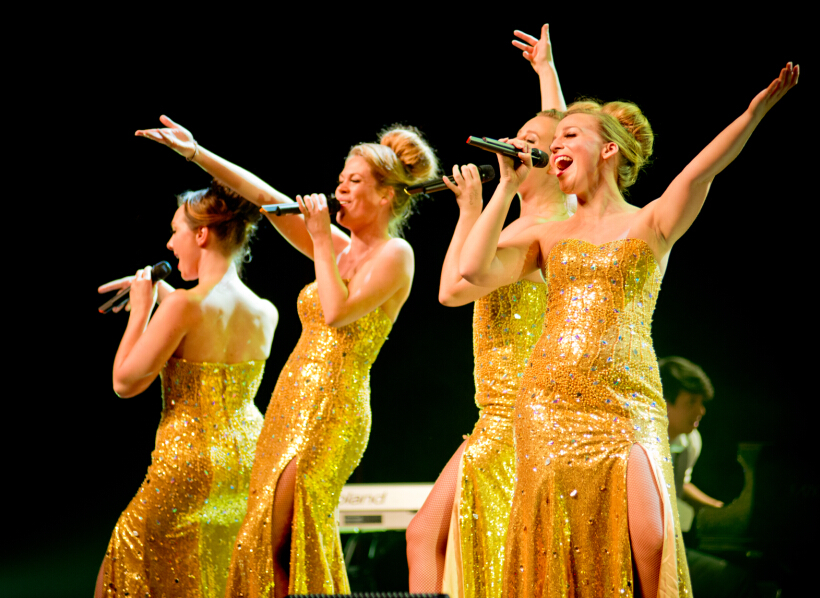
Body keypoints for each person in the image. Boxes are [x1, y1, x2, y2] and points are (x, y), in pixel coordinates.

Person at [460, 64, 798, 597]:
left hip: (627, 402)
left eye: (571, 134)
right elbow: (473, 270)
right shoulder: (547, 235)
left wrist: (753, 113)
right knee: (556, 544)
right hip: (547, 405)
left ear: (609, 149)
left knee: (652, 538)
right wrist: (503, 188)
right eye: (555, 137)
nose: (556, 144)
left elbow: (702, 170)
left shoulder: (651, 221)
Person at [135, 117, 439, 597]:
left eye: (354, 181)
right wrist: (196, 152)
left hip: (333, 408)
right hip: (290, 400)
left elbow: (337, 312)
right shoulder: (339, 249)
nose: (340, 188)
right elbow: (264, 196)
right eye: (340, 179)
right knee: (262, 533)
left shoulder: (395, 254)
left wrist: (318, 238)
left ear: (385, 195)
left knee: (287, 539)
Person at [406, 25, 570, 598]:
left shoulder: (544, 230)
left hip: (517, 417)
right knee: (434, 537)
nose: (516, 145)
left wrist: (480, 204)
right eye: (516, 137)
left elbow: (455, 289)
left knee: (439, 538)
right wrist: (545, 72)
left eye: (529, 142)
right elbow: (449, 288)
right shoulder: (526, 222)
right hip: (497, 414)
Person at [94, 180, 278, 598]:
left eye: (176, 231)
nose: (170, 243)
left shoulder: (182, 306)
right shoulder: (265, 312)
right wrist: (166, 297)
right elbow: (204, 323)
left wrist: (142, 310)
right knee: (210, 577)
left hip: (188, 464)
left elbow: (125, 382)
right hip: (247, 463)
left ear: (201, 235)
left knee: (123, 570)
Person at [660, 356, 761, 598]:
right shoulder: (638, 443)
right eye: (691, 402)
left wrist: (717, 509)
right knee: (738, 582)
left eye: (701, 402)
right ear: (664, 403)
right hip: (645, 548)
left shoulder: (690, 441)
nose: (701, 410)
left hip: (668, 543)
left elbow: (680, 484)